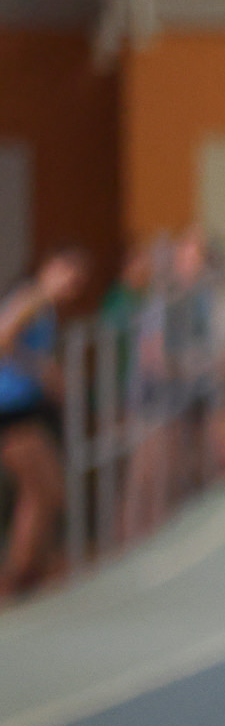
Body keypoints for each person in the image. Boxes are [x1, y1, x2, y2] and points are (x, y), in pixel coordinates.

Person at [0, 249, 85, 594]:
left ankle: (29, 567)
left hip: (26, 410)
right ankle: (19, 572)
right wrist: (41, 369)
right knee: (40, 487)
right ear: (48, 268)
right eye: (67, 275)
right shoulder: (32, 299)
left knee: (48, 489)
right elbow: (3, 338)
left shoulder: (45, 310)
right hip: (11, 412)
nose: (70, 287)